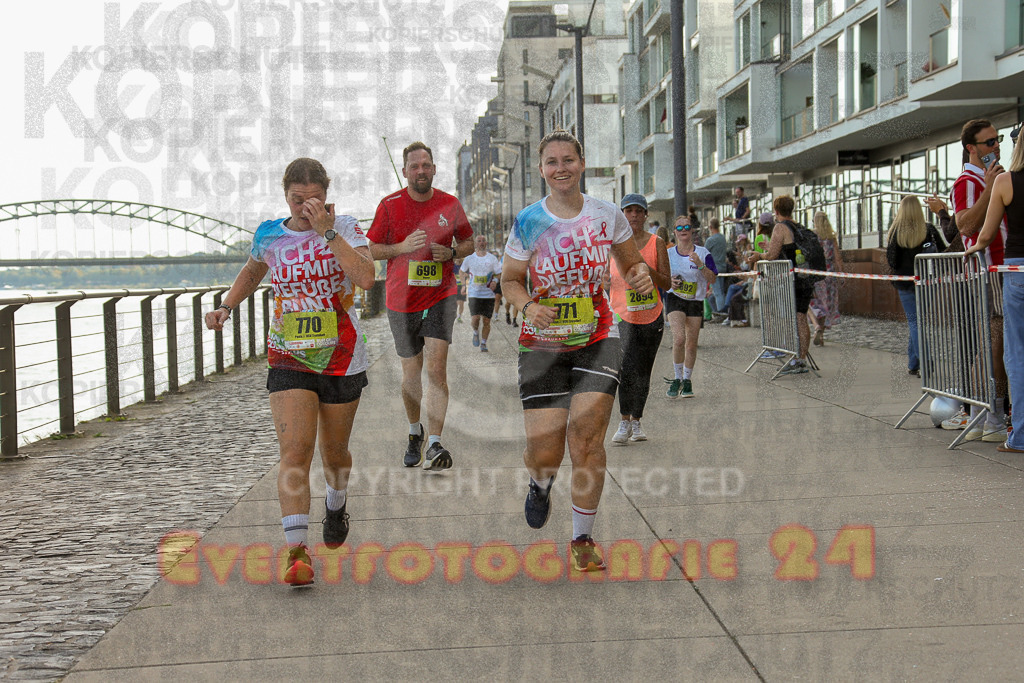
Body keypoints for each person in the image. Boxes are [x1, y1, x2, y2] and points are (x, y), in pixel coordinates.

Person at [205, 158, 375, 586]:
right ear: (285, 196)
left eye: (312, 200)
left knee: (334, 454)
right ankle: (296, 553)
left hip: (341, 355)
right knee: (295, 451)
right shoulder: (269, 234)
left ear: (325, 195)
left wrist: (327, 231)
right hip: (288, 355)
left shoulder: (348, 228)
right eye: (296, 200)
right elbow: (253, 270)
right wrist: (227, 305)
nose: (303, 207)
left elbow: (367, 277)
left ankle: (336, 505)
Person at [501, 130, 654, 572]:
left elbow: (631, 263)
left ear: (582, 164)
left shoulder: (607, 215)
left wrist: (640, 276)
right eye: (552, 162)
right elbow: (510, 279)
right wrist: (527, 305)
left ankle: (582, 537)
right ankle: (539, 481)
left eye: (568, 159)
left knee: (586, 440)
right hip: (542, 346)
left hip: (596, 336)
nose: (561, 168)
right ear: (542, 169)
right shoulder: (529, 220)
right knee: (546, 450)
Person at [367, 141, 474, 470]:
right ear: (405, 172)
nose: (421, 171)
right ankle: (415, 432)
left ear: (434, 169)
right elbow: (371, 249)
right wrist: (400, 247)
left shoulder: (450, 204)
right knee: (411, 375)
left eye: (426, 165)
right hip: (401, 301)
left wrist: (453, 253)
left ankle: (436, 443)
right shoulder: (389, 206)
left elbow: (467, 241)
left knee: (436, 369)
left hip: (441, 296)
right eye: (414, 166)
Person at [948, 119, 1009, 439]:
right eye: (988, 143)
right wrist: (989, 189)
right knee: (996, 344)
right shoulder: (969, 181)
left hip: (996, 269)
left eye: (997, 140)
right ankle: (993, 416)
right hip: (991, 270)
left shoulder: (985, 178)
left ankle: (982, 415)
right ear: (971, 148)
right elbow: (965, 225)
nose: (996, 146)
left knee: (992, 344)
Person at [966, 133, 1024, 452]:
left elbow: (986, 236)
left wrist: (971, 250)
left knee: (1016, 353)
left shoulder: (1005, 182)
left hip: (1016, 272)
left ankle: (1021, 435)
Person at [608, 193, 671, 445]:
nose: (633, 215)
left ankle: (637, 420)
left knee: (643, 371)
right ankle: (624, 421)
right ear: (622, 215)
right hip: (622, 316)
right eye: (629, 211)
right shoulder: (612, 245)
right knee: (625, 369)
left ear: (646, 215)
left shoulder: (655, 243)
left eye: (638, 211)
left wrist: (647, 269)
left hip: (651, 315)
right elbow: (604, 278)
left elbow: (667, 282)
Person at [747, 195, 813, 375]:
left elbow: (772, 256)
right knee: (801, 318)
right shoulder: (797, 226)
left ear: (776, 211)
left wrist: (758, 255)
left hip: (792, 281)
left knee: (795, 319)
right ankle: (801, 358)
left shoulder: (780, 227)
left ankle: (798, 360)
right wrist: (769, 247)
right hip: (804, 277)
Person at [885, 197, 943, 378]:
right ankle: (913, 363)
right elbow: (943, 252)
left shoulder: (896, 232)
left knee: (914, 322)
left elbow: (891, 260)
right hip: (927, 282)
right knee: (917, 322)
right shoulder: (929, 229)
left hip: (905, 283)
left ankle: (923, 364)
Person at [664, 214, 718, 398]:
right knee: (679, 339)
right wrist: (669, 281)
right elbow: (661, 278)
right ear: (674, 232)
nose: (683, 230)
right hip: (675, 298)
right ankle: (677, 378)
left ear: (692, 230)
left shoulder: (703, 253)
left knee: (691, 344)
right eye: (679, 228)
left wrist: (700, 265)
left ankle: (687, 380)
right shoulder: (669, 254)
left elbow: (713, 278)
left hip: (695, 300)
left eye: (686, 227)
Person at [807, 212, 844, 347]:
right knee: (826, 304)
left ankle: (816, 326)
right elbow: (837, 258)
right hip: (829, 273)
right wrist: (841, 274)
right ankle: (821, 333)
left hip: (816, 272)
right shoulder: (831, 237)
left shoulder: (812, 236)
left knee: (815, 303)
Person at [461, 235, 501, 352]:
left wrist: (495, 281)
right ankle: (475, 332)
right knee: (475, 319)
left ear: (486, 243)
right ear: (475, 244)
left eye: (483, 241)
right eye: (479, 241)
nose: (481, 243)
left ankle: (483, 343)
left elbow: (499, 273)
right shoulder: (469, 258)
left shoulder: (492, 259)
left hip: (488, 295)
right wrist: (464, 285)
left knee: (487, 321)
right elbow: (462, 271)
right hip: (474, 294)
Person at [704, 218, 729, 313]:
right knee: (720, 291)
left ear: (710, 227)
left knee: (717, 292)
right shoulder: (722, 238)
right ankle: (719, 311)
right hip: (723, 266)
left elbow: (704, 253)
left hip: (714, 269)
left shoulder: (710, 240)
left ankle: (721, 312)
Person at [454, 258, 466, 322]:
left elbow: (468, 274)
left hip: (462, 286)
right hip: (454, 287)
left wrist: (464, 275)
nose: (458, 259)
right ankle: (454, 313)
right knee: (455, 302)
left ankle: (459, 316)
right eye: (457, 257)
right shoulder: (452, 265)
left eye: (460, 257)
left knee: (461, 302)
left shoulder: (464, 266)